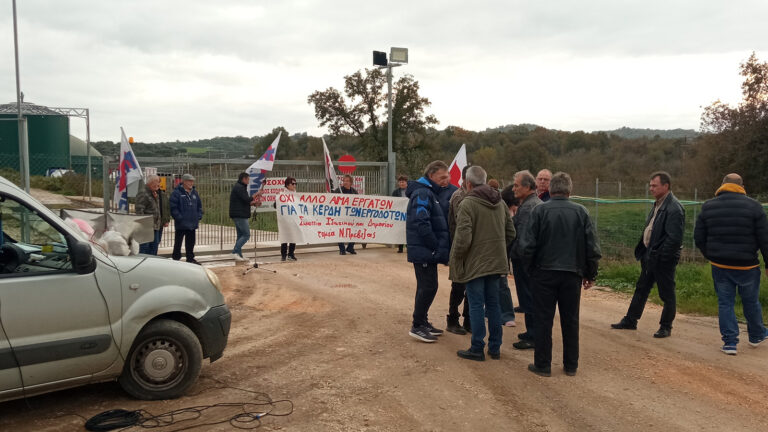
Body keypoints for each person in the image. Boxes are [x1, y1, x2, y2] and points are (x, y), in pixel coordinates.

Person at [519, 172, 601, 377]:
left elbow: (527, 246)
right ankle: (571, 365)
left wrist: (530, 270)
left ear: (551, 189)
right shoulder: (581, 212)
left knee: (543, 320)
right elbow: (592, 247)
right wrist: (590, 273)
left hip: (543, 273)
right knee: (571, 320)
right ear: (570, 190)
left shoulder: (539, 211)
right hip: (572, 274)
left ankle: (543, 364)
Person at [694, 173, 768, 355]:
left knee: (725, 303)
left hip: (720, 266)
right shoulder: (755, 207)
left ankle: (730, 343)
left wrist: (711, 255)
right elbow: (765, 239)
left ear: (722, 185)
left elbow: (698, 238)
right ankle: (756, 335)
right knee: (751, 301)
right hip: (747, 266)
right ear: (742, 186)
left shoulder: (708, 206)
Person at [450, 166, 516, 361]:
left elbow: (463, 239)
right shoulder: (501, 203)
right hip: (496, 263)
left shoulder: (467, 204)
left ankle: (477, 347)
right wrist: (497, 249)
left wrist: (458, 259)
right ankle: (495, 348)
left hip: (475, 264)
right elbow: (511, 233)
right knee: (493, 305)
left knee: (477, 305)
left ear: (468, 184)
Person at [611, 171, 684, 338]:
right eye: (650, 185)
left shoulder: (674, 208)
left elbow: (674, 239)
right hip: (650, 255)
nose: (651, 188)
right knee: (641, 288)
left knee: (666, 293)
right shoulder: (658, 204)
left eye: (654, 185)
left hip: (662, 259)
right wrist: (647, 253)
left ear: (666, 186)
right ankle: (630, 320)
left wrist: (661, 257)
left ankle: (666, 326)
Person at [406, 160, 451, 343]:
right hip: (424, 250)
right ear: (431, 176)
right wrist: (434, 245)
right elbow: (421, 222)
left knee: (427, 286)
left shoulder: (429, 192)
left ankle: (422, 321)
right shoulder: (423, 193)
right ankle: (417, 325)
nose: (446, 180)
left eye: (447, 177)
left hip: (426, 251)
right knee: (428, 287)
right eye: (442, 177)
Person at [509, 170, 543, 350]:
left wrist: (520, 259)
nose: (513, 188)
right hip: (528, 261)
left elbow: (524, 238)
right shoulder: (530, 203)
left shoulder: (530, 207)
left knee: (529, 297)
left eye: (516, 185)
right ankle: (532, 332)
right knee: (528, 297)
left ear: (527, 187)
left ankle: (533, 335)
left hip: (526, 262)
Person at [446, 165, 472, 335]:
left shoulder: (476, 196)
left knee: (473, 287)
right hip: (460, 245)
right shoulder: (458, 196)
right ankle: (453, 319)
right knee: (458, 286)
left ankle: (469, 319)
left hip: (474, 249)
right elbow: (460, 223)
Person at [170, 173, 203, 264]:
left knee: (191, 242)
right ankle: (176, 258)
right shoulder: (177, 193)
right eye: (189, 181)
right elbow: (173, 207)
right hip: (181, 223)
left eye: (192, 181)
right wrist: (179, 217)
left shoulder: (194, 193)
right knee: (178, 242)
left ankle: (190, 258)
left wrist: (198, 215)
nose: (191, 183)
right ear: (183, 181)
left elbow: (199, 206)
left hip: (192, 223)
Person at [229, 172, 261, 261]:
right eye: (248, 179)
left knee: (240, 235)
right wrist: (256, 194)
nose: (248, 181)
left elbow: (244, 202)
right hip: (239, 215)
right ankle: (235, 252)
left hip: (239, 213)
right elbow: (247, 199)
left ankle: (239, 255)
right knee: (246, 234)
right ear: (244, 179)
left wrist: (254, 203)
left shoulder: (241, 187)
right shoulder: (239, 188)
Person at [135, 174, 170, 255]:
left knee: (154, 248)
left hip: (155, 226)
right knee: (145, 248)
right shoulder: (143, 193)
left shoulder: (154, 193)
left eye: (159, 182)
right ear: (150, 182)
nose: (158, 184)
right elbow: (139, 211)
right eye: (156, 182)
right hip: (146, 227)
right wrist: (144, 225)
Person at [334, 174, 358, 255]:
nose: (345, 182)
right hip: (340, 216)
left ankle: (350, 247)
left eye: (347, 181)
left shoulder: (354, 192)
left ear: (351, 183)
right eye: (344, 181)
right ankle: (342, 249)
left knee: (355, 230)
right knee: (340, 231)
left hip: (351, 216)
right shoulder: (338, 191)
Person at [280, 176, 299, 261]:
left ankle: (291, 254)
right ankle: (283, 255)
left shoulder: (296, 194)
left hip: (294, 219)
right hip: (284, 219)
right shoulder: (282, 194)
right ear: (287, 185)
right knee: (285, 237)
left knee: (293, 236)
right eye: (293, 184)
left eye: (295, 183)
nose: (294, 185)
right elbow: (275, 205)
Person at [392, 175, 409, 253]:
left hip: (408, 213)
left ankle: (408, 246)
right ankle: (400, 247)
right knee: (400, 230)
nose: (402, 183)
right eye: (400, 182)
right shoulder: (395, 192)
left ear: (406, 182)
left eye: (403, 182)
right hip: (399, 214)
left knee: (408, 230)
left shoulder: (410, 190)